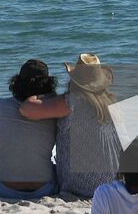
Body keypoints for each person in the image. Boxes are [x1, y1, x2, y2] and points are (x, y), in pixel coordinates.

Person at [20, 53, 122, 198]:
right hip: (110, 181)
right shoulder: (111, 103)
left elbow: (26, 109)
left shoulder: (71, 102)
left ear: (74, 79)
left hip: (82, 186)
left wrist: (43, 96)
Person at [0, 59, 58, 199]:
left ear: (17, 82)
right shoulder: (53, 111)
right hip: (45, 189)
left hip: (4, 189)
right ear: (48, 84)